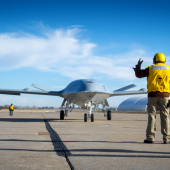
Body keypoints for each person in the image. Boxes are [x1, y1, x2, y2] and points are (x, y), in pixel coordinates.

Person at [133, 53, 170, 144]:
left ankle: (150, 138)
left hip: (152, 96)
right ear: (164, 60)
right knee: (165, 117)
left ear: (154, 59)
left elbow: (139, 75)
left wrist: (138, 66)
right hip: (165, 96)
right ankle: (167, 139)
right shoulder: (169, 69)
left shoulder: (150, 68)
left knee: (151, 117)